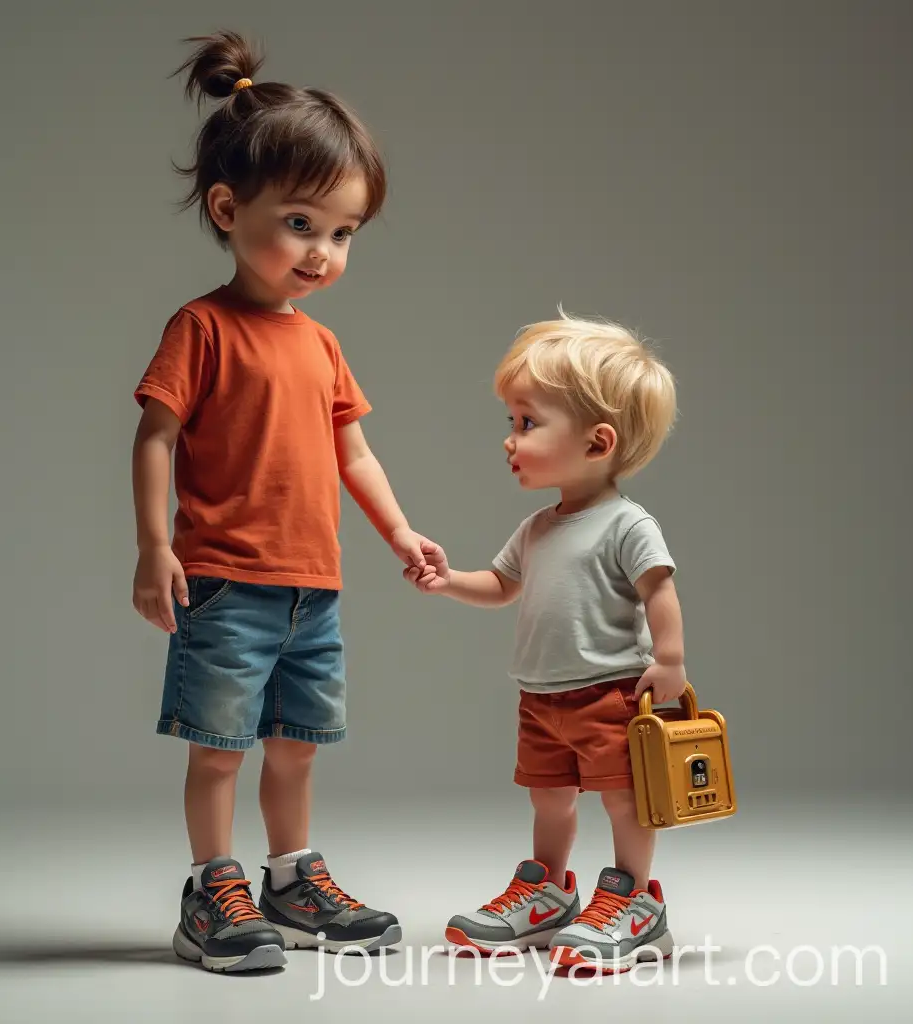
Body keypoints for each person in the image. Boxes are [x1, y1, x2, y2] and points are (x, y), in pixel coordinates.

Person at [131, 30, 445, 974]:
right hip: (225, 583)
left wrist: (398, 530)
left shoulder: (321, 344)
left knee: (297, 744)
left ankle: (291, 878)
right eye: (302, 224)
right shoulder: (202, 328)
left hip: (315, 587)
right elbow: (155, 437)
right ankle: (211, 888)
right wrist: (155, 549)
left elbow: (354, 449)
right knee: (220, 747)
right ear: (230, 209)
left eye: (343, 233)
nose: (323, 252)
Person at [405, 312, 684, 973]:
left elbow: (660, 591)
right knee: (549, 797)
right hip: (541, 696)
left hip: (611, 692)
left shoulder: (626, 524)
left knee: (624, 796)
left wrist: (669, 659)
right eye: (512, 423)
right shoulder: (536, 528)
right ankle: (548, 893)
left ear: (597, 442)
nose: (510, 440)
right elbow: (500, 586)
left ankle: (636, 900)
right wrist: (449, 582)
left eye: (527, 424)